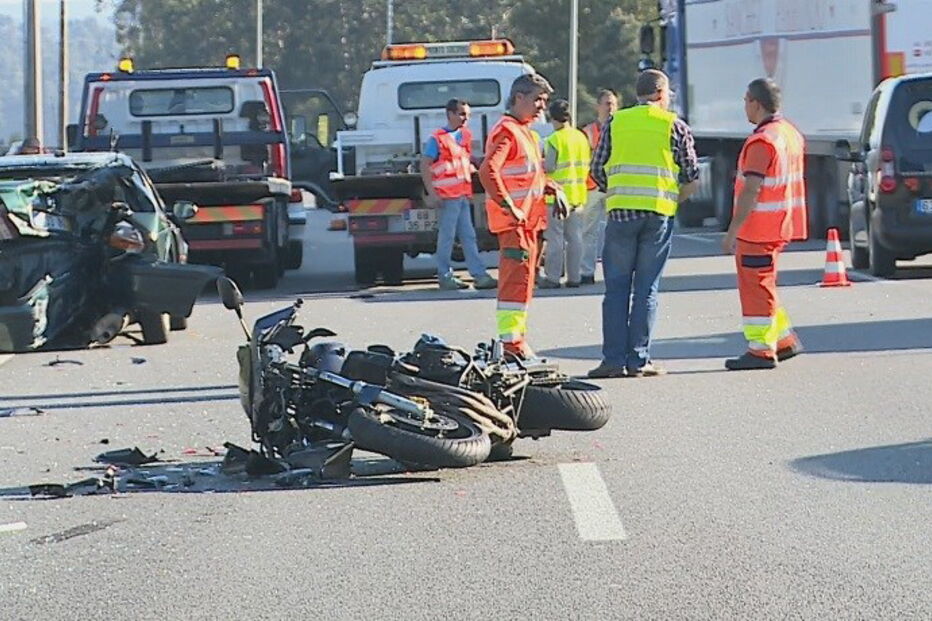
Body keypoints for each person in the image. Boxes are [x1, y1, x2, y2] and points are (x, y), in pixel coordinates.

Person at [587, 69, 699, 379]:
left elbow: (597, 169)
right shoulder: (674, 125)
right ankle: (639, 360)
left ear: (637, 95)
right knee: (646, 289)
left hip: (622, 214)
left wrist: (620, 190)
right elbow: (691, 176)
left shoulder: (616, 122)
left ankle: (612, 361)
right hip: (657, 215)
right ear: (662, 95)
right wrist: (671, 199)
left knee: (616, 290)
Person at [722, 78, 807, 370]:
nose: (744, 107)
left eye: (746, 101)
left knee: (756, 287)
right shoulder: (789, 133)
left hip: (758, 228)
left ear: (756, 103)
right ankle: (783, 340)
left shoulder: (762, 141)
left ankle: (760, 350)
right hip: (781, 223)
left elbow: (751, 189)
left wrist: (732, 231)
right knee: (765, 284)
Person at [479, 73, 559, 359]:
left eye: (545, 101)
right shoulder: (508, 131)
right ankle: (512, 345)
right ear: (518, 98)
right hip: (516, 224)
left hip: (527, 223)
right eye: (537, 99)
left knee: (524, 282)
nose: (542, 106)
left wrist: (552, 187)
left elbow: (529, 174)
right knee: (516, 283)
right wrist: (508, 206)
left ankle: (516, 341)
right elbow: (488, 171)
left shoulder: (525, 131)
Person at [421, 99, 498, 290]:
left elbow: (464, 160)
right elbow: (425, 164)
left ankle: (479, 275)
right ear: (450, 114)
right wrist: (432, 193)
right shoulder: (437, 138)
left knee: (468, 236)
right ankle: (445, 275)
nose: (466, 118)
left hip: (462, 194)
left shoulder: (464, 136)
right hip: (447, 196)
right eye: (462, 114)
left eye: (468, 115)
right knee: (447, 237)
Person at [539, 99, 590, 288]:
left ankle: (552, 277)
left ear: (552, 117)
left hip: (556, 197)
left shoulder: (554, 139)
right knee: (575, 238)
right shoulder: (581, 137)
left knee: (555, 238)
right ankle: (574, 277)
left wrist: (539, 162)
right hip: (577, 195)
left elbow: (550, 166)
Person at [580, 89, 619, 284]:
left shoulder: (621, 129)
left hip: (614, 187)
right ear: (598, 106)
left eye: (613, 103)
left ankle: (615, 272)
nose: (610, 107)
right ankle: (586, 272)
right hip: (593, 187)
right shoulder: (588, 131)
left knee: (616, 232)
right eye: (607, 103)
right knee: (589, 232)